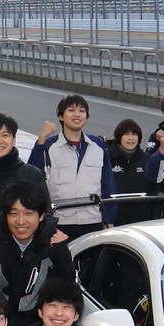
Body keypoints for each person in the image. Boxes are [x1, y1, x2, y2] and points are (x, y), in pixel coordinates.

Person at [0, 180, 75, 326]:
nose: (21, 221)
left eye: (28, 213)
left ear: (41, 215)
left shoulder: (54, 241)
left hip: (40, 325)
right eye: (14, 214)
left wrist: (62, 255)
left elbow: (68, 291)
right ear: (6, 215)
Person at [30, 94, 117, 238]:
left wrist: (110, 219)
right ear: (61, 116)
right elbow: (33, 176)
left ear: (86, 117)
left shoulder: (98, 145)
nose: (77, 114)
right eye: (71, 110)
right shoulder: (49, 145)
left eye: (82, 111)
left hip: (93, 220)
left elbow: (108, 183)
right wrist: (41, 140)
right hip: (59, 221)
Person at [105, 119, 162, 225]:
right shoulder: (107, 158)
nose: (130, 138)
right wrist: (106, 220)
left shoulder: (146, 159)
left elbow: (155, 191)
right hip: (114, 222)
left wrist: (155, 219)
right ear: (118, 136)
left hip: (143, 222)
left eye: (134, 134)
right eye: (126, 134)